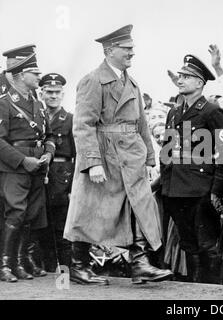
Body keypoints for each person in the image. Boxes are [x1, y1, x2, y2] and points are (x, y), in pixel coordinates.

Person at [63, 24, 173, 286]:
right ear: (110, 50)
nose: (132, 53)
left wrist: (148, 158)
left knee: (140, 206)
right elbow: (83, 125)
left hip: (131, 154)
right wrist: (92, 163)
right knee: (90, 211)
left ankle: (140, 264)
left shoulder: (131, 82)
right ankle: (79, 267)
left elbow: (142, 124)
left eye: (132, 48)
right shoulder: (92, 80)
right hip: (105, 154)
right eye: (127, 48)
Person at [160, 54, 223, 283]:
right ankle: (194, 292)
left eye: (187, 76)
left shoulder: (211, 111)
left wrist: (216, 190)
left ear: (200, 83)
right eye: (180, 76)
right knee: (189, 245)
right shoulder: (174, 112)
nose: (180, 80)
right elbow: (167, 151)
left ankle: (212, 293)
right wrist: (165, 185)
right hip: (175, 190)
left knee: (207, 245)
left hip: (200, 191)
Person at [0, 53, 56, 282]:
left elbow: (49, 135)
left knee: (31, 215)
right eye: (35, 73)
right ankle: (5, 265)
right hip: (15, 167)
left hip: (38, 166)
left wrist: (49, 153)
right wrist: (23, 161)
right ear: (22, 75)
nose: (39, 77)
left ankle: (20, 262)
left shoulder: (38, 104)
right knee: (16, 214)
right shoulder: (4, 103)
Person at [38, 73, 75, 271]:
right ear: (41, 93)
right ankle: (49, 270)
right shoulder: (37, 118)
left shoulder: (70, 119)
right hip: (39, 175)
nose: (53, 96)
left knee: (62, 227)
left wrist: (74, 186)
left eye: (57, 92)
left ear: (63, 94)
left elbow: (78, 156)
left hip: (63, 176)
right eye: (49, 92)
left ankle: (65, 274)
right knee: (42, 225)